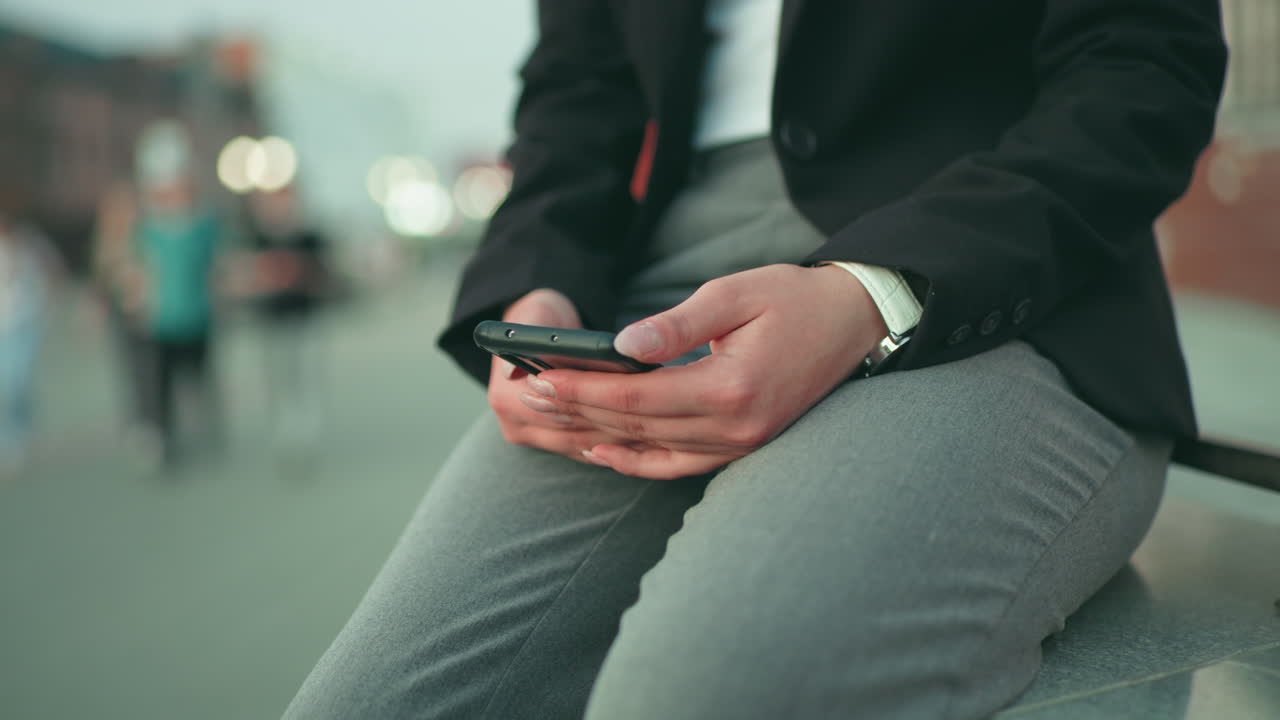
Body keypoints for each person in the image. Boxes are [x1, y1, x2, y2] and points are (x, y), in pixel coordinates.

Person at [286, 2, 1227, 718]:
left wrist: (876, 289)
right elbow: (578, 89)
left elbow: (1142, 66)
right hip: (652, 293)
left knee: (702, 691)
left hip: (989, 268)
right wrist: (533, 288)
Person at [241, 185, 331, 449]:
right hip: (273, 320)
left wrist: (300, 274)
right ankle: (285, 431)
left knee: (307, 377)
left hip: (305, 317)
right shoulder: (258, 237)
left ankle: (307, 431)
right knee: (278, 378)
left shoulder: (309, 237)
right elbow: (248, 277)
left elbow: (324, 276)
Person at [0, 211, 60, 478]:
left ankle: (23, 434)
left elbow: (53, 269)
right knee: (6, 385)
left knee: (20, 381)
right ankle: (10, 441)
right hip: (3, 328)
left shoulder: (29, 243)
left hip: (27, 323)